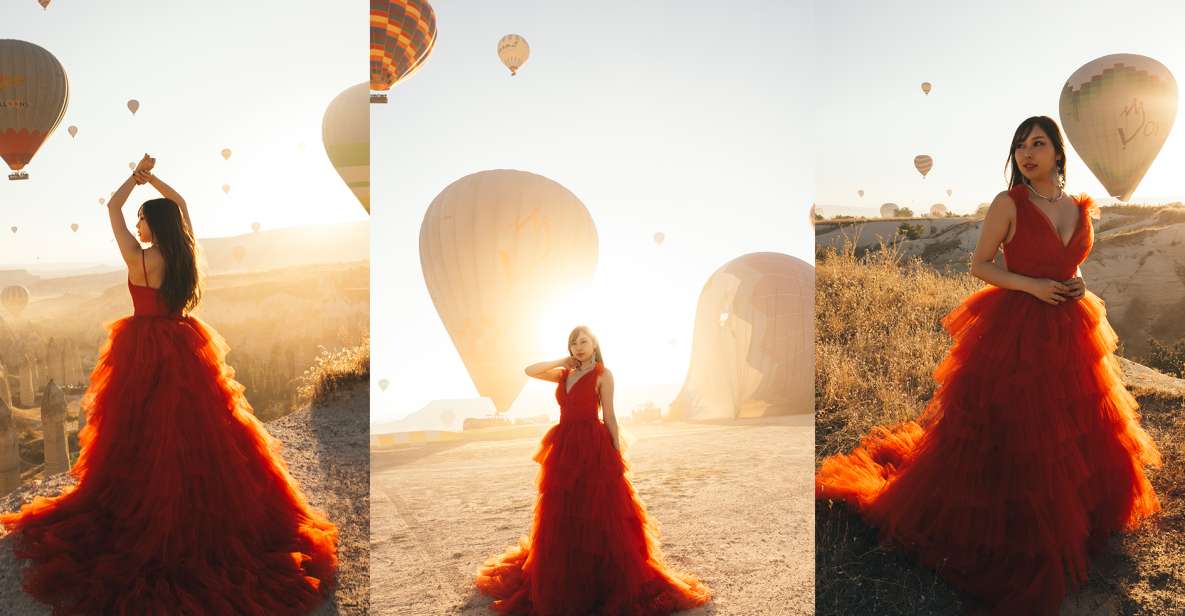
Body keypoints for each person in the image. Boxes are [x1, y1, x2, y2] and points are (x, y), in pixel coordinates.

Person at [816, 116, 1161, 614]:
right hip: (1018, 324)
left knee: (1074, 422)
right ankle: (1019, 523)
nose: (1027, 153)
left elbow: (1074, 263)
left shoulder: (1079, 206)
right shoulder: (1008, 204)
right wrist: (1035, 287)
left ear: (1059, 153)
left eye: (1038, 144)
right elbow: (981, 265)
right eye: (1020, 146)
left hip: (1070, 323)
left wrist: (1077, 285)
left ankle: (1081, 515)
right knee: (1020, 425)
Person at [1, 154, 338, 615]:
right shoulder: (184, 252)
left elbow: (111, 210)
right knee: (200, 431)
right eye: (138, 217)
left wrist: (131, 180)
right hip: (183, 342)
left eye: (142, 217)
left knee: (141, 431)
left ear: (150, 224)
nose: (136, 223)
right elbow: (178, 203)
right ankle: (208, 511)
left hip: (143, 347)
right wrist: (154, 180)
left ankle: (148, 511)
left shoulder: (140, 260)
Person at [476, 325, 711, 615]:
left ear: (594, 344)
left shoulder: (603, 374)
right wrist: (561, 362)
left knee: (601, 511)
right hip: (564, 446)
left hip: (593, 446)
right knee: (563, 509)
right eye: (573, 343)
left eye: (583, 341)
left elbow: (609, 415)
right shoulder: (563, 374)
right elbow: (530, 370)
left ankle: (602, 580)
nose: (578, 347)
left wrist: (615, 453)